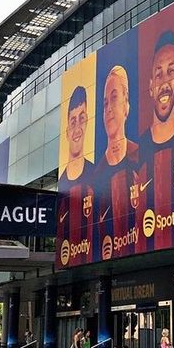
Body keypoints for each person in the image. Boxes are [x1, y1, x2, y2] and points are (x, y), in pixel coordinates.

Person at [138, 29, 174, 251]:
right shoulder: (137, 151)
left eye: (170, 71)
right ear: (151, 84)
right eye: (159, 74)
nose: (164, 82)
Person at [95, 66, 140, 259]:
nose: (109, 109)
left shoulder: (142, 158)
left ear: (126, 105)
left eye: (114, 98)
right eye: (105, 103)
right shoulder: (96, 174)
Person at [57, 86, 97, 268]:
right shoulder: (61, 185)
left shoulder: (98, 175)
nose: (77, 128)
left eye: (82, 119)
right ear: (66, 131)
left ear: (87, 122)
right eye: (73, 121)